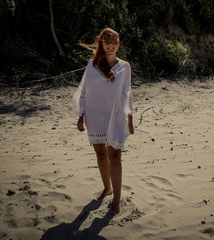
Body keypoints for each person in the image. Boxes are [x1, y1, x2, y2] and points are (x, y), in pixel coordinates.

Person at [72, 28, 134, 214]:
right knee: (100, 155)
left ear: (118, 43)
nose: (110, 44)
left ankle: (116, 200)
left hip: (115, 117)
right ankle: (107, 189)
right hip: (94, 116)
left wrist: (130, 119)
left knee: (115, 158)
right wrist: (80, 116)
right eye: (106, 41)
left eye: (114, 41)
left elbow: (127, 93)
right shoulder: (92, 66)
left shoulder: (124, 67)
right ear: (101, 43)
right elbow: (84, 93)